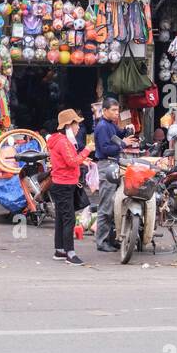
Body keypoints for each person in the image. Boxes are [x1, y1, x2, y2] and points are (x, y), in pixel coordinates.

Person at [47, 108, 92, 265]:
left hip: (62, 183)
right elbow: (72, 162)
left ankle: (60, 250)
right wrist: (87, 151)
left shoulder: (60, 140)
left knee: (61, 218)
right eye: (76, 124)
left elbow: (69, 161)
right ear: (69, 125)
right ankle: (70, 253)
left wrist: (83, 160)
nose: (78, 127)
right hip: (64, 184)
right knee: (69, 219)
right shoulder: (63, 142)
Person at [93, 97, 138, 253]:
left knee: (115, 204)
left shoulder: (111, 125)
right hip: (106, 166)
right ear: (104, 111)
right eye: (113, 110)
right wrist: (123, 143)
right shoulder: (102, 127)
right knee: (106, 206)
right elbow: (106, 149)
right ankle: (102, 241)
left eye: (117, 110)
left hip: (114, 164)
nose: (116, 113)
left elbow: (119, 133)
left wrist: (127, 130)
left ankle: (111, 239)